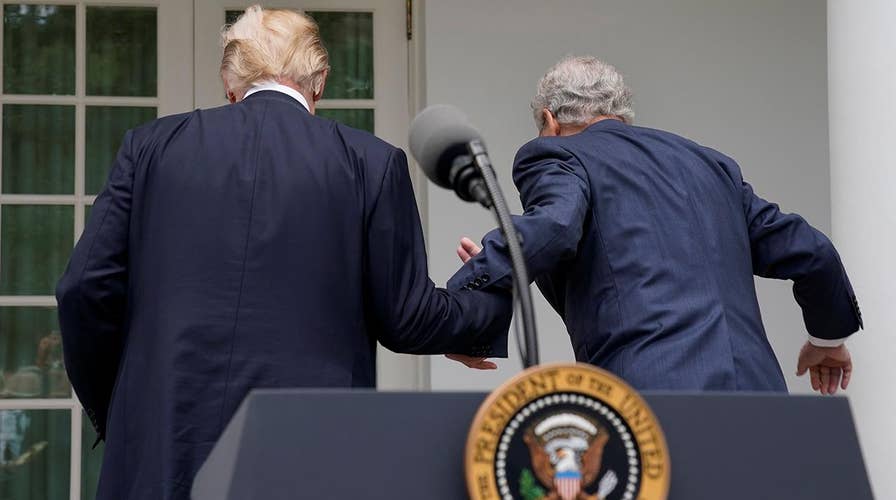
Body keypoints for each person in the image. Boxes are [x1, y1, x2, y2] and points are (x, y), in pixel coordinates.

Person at [55, 6, 509, 499]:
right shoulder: (370, 163)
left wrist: (122, 407)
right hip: (310, 458)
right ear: (320, 82)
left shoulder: (149, 148)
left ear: (229, 82)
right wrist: (485, 301)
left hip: (163, 450)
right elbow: (407, 316)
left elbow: (83, 288)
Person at [449, 56, 861, 394]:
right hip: (759, 396)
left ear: (549, 120)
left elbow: (553, 229)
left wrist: (467, 303)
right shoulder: (709, 164)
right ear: (621, 115)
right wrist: (827, 340)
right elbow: (812, 252)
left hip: (649, 397)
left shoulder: (559, 154)